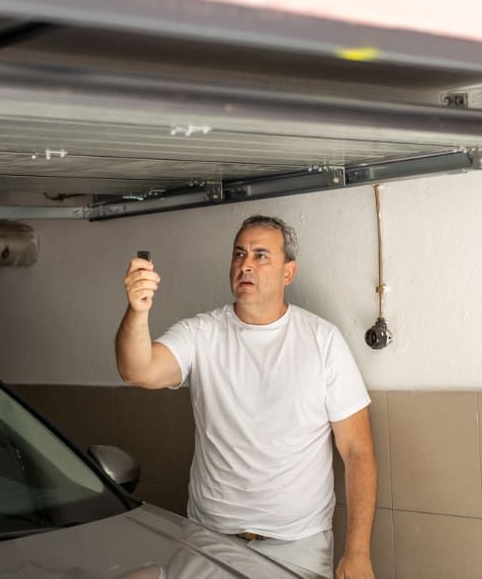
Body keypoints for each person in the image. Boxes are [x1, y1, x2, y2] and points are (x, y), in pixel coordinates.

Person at [115, 215, 377, 579]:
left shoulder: (322, 340)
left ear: (288, 272)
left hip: (297, 546)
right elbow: (137, 370)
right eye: (239, 254)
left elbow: (358, 451)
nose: (246, 265)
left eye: (260, 255)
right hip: (209, 542)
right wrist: (137, 311)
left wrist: (358, 551)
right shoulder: (203, 333)